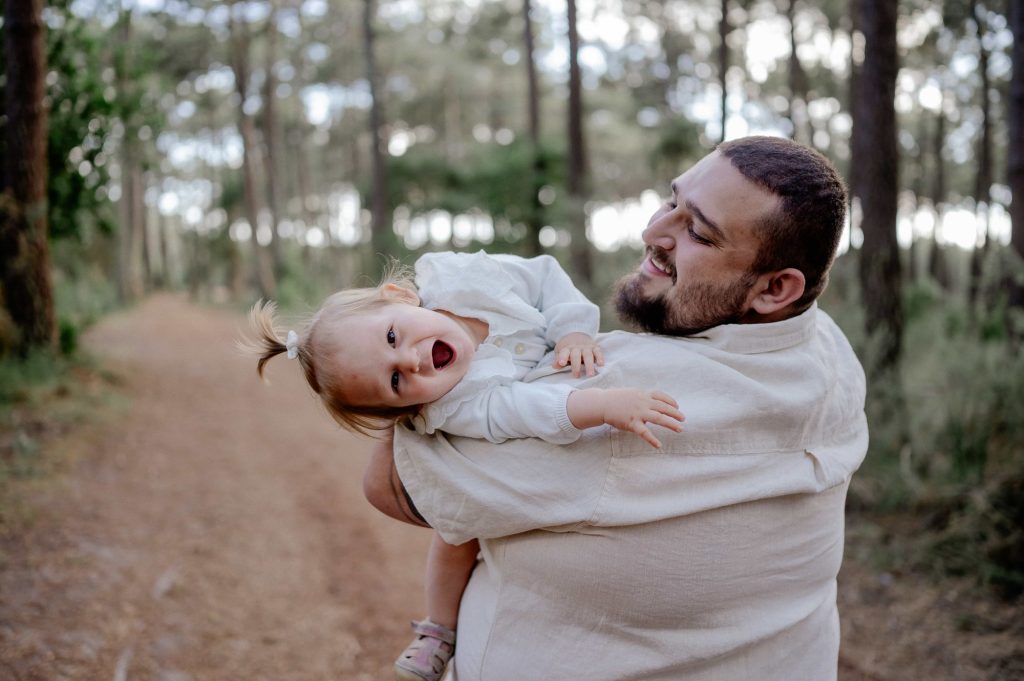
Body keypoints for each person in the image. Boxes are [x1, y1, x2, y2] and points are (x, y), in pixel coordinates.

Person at [363, 135, 869, 681]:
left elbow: (393, 486)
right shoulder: (830, 353)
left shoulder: (613, 396)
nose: (654, 232)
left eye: (698, 232)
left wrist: (417, 349)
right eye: (671, 201)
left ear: (775, 289)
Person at [244, 250, 684, 681]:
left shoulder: (458, 277)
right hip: (487, 466)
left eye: (392, 337)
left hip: (550, 339)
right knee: (456, 526)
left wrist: (572, 332)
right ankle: (439, 627)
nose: (410, 361)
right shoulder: (458, 404)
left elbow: (543, 275)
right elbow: (525, 409)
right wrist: (603, 405)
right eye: (395, 380)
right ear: (406, 409)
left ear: (400, 296)